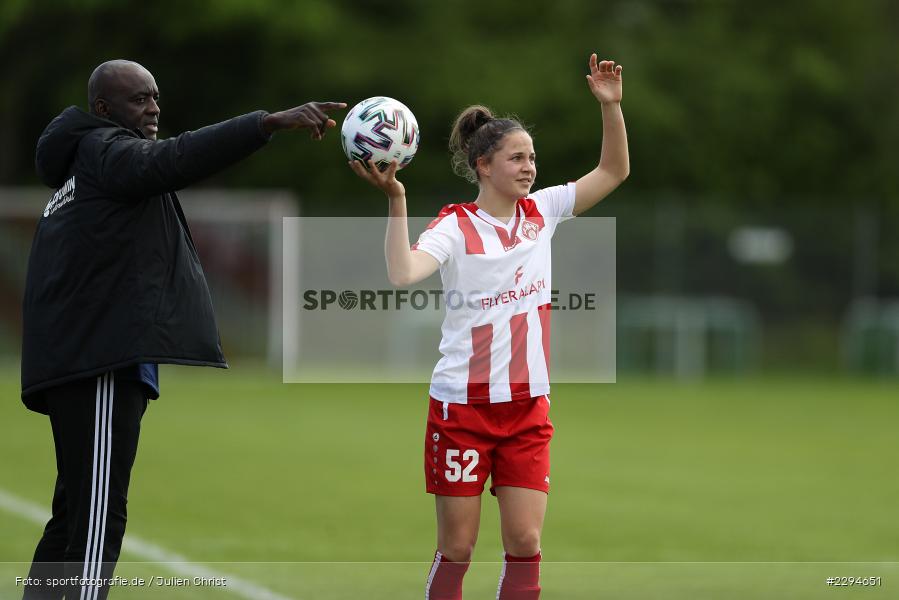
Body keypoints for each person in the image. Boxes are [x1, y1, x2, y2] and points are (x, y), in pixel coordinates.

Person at [21, 59, 345, 600]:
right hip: (98, 364)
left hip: (82, 362)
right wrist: (266, 123)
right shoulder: (106, 152)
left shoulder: (84, 171)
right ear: (103, 110)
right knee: (98, 518)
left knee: (72, 516)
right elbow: (173, 159)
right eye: (138, 99)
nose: (153, 108)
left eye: (154, 97)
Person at [349, 53, 628, 599]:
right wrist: (397, 200)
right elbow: (403, 273)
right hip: (463, 408)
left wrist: (611, 108)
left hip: (527, 407)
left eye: (532, 157)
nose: (530, 167)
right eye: (517, 158)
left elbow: (613, 171)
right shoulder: (455, 226)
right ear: (483, 165)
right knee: (458, 548)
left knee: (524, 540)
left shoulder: (543, 212)